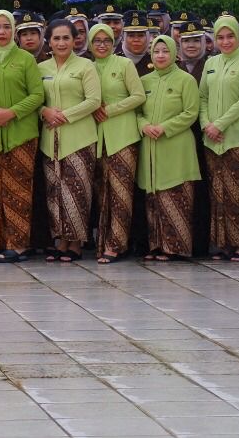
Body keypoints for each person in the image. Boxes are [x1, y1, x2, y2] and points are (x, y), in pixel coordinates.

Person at [0, 10, 45, 263]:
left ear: (13, 30)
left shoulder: (25, 60)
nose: (2, 32)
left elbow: (37, 96)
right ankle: (2, 241)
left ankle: (19, 244)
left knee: (19, 190)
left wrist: (12, 113)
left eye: (6, 27)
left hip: (21, 135)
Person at [37, 19, 101, 262]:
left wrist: (65, 116)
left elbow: (94, 100)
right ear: (49, 42)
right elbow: (35, 99)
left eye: (66, 38)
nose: (61, 43)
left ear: (75, 40)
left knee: (76, 191)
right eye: (56, 38)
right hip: (50, 139)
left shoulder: (86, 66)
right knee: (55, 192)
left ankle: (76, 242)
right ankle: (61, 240)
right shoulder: (42, 68)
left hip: (79, 138)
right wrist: (45, 111)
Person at [199, 15, 239, 262]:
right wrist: (206, 124)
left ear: (238, 36)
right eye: (220, 37)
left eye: (230, 36)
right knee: (219, 192)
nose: (225, 41)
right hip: (212, 139)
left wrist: (220, 124)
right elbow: (202, 97)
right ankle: (222, 243)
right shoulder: (211, 63)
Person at [138, 36, 200, 260]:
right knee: (153, 197)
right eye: (156, 51)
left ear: (174, 53)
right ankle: (156, 245)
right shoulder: (144, 81)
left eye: (165, 51)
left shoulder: (186, 80)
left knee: (176, 196)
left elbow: (191, 112)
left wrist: (165, 127)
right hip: (151, 146)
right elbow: (137, 112)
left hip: (176, 146)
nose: (161, 56)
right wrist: (144, 126)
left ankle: (176, 247)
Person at [87, 24, 144, 263]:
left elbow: (138, 96)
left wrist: (110, 109)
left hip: (123, 136)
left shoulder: (124, 65)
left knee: (121, 193)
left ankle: (117, 245)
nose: (101, 45)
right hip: (96, 138)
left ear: (114, 42)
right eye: (97, 40)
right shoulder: (86, 67)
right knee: (102, 194)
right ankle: (103, 242)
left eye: (106, 40)